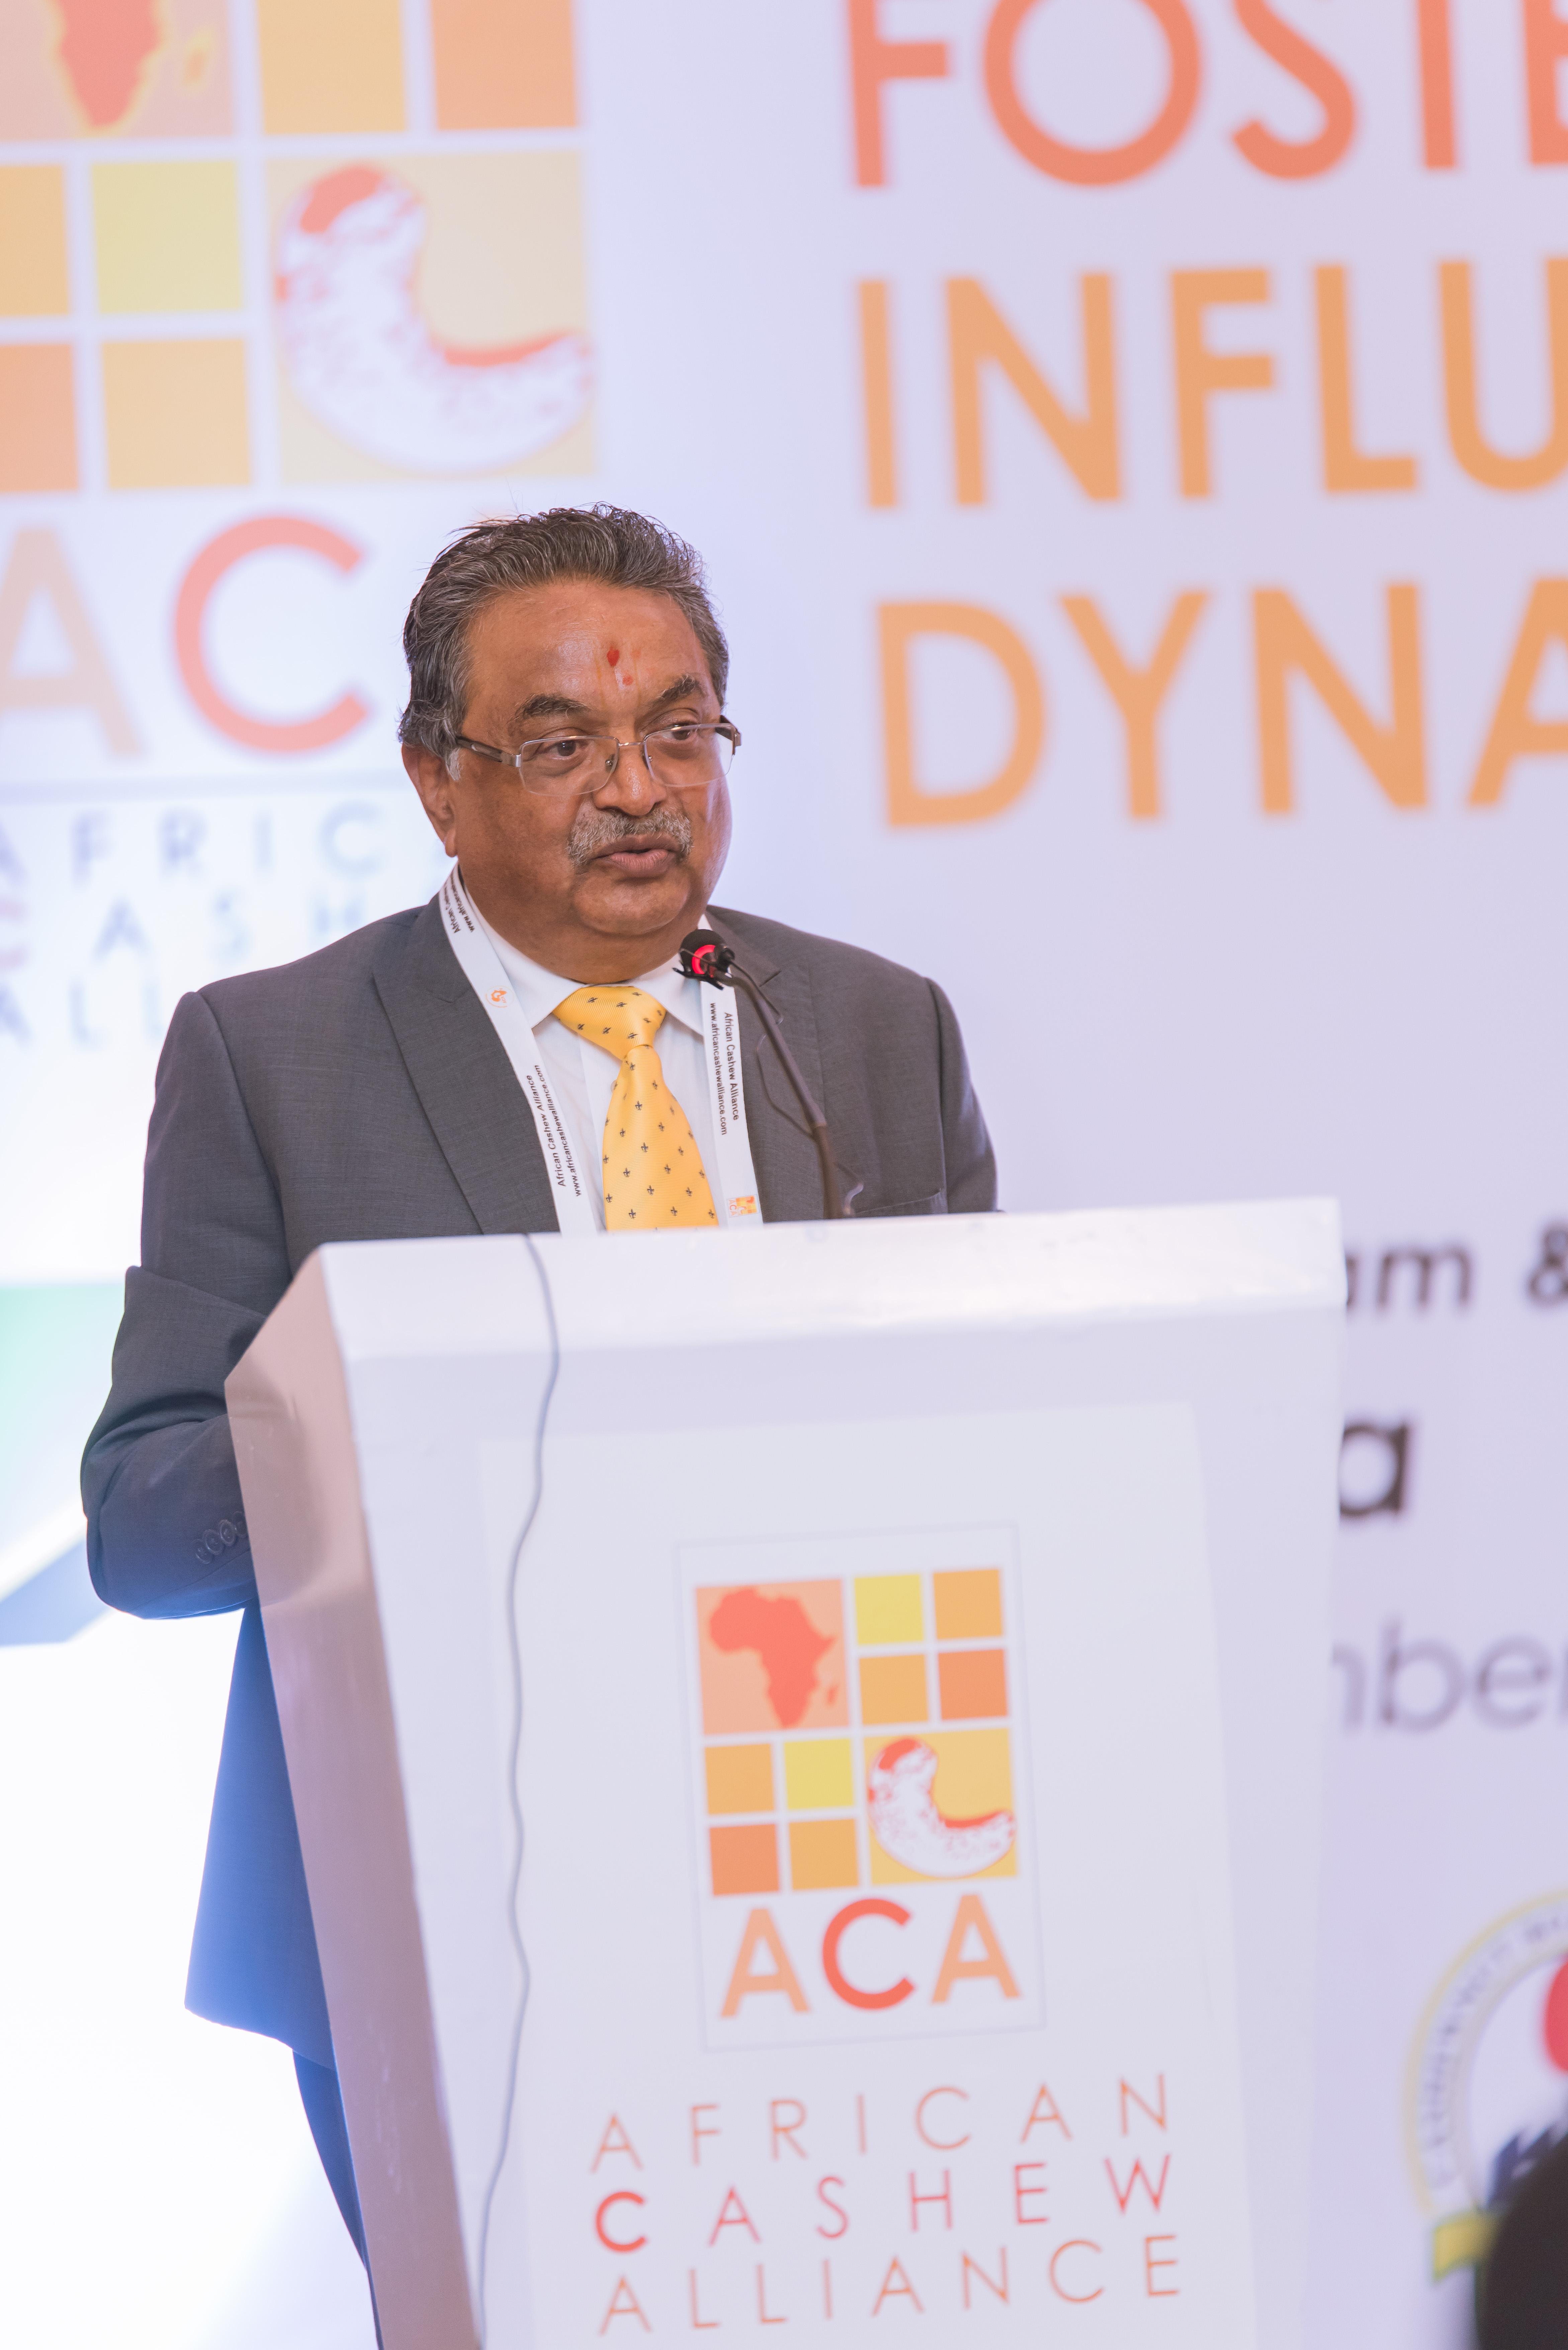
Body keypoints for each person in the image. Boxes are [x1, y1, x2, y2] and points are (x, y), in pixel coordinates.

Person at [81, 505, 996, 2274]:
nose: (640, 792)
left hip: (843, 1888)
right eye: (564, 745)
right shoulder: (274, 1059)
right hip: (442, 1914)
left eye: (682, 729)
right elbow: (142, 1517)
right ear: (439, 780)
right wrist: (393, 1427)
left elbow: (993, 1443)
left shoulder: (874, 1032)